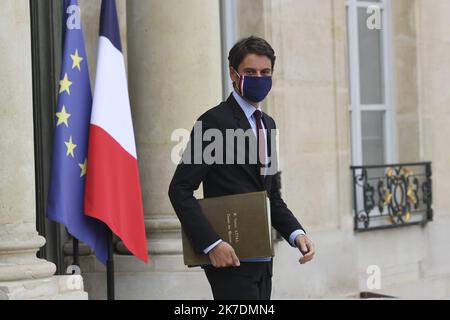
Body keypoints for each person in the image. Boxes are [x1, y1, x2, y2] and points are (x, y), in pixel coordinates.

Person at [168, 36, 315, 300]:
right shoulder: (213, 121)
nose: (259, 78)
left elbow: (270, 194)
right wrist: (211, 244)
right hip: (227, 256)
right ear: (233, 74)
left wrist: (296, 233)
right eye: (250, 72)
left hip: (262, 256)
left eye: (265, 72)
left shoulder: (268, 124)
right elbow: (179, 190)